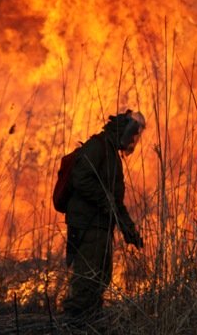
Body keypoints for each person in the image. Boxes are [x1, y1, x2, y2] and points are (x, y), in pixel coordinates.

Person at [62, 109, 146, 324]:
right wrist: (104, 198)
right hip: (88, 224)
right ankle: (75, 322)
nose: (132, 140)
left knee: (101, 276)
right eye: (132, 134)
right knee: (87, 276)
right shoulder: (97, 147)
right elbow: (81, 179)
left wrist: (130, 231)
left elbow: (115, 202)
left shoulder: (111, 155)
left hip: (100, 225)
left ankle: (90, 321)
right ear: (121, 130)